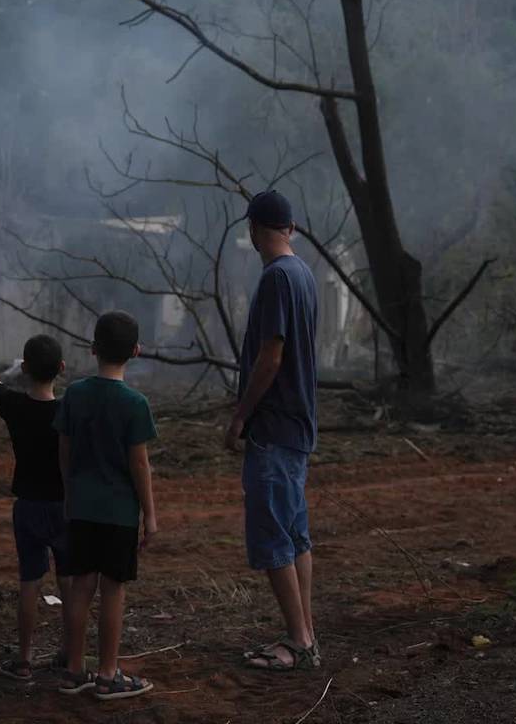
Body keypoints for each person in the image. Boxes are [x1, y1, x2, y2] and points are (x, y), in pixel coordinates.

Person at [223, 190, 322, 672]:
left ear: (254, 230)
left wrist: (241, 415)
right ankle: (304, 632)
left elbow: (272, 355)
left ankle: (298, 641)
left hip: (276, 426)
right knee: (295, 533)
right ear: (292, 227)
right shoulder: (303, 273)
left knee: (273, 535)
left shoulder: (276, 278)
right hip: (297, 424)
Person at [53, 311, 158, 700]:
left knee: (81, 586)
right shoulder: (135, 403)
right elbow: (139, 464)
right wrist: (150, 514)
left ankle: (74, 670)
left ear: (93, 348)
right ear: (136, 351)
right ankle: (108, 673)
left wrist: (69, 491)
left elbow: (63, 450)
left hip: (80, 508)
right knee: (113, 590)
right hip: (118, 513)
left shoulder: (75, 395)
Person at [0, 334, 74, 681]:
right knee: (69, 582)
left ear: (24, 368)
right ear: (61, 368)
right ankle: (70, 654)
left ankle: (25, 660)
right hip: (64, 506)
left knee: (30, 582)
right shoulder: (66, 412)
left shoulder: (14, 406)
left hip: (28, 506)